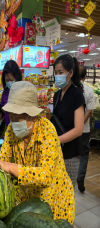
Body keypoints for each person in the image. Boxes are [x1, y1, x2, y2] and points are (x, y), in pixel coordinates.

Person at [0, 81, 75, 225]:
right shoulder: (11, 131)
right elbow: (2, 159)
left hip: (52, 199)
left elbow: (45, 176)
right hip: (26, 200)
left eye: (18, 117)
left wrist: (10, 167)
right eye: (11, 116)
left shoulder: (47, 130)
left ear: (32, 116)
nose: (13, 122)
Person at [53, 54, 85, 188]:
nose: (57, 76)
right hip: (57, 151)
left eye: (60, 72)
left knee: (66, 191)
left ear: (70, 73)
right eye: (55, 73)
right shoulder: (57, 94)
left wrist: (56, 140)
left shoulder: (77, 94)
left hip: (70, 153)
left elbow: (78, 130)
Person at [77, 66, 95, 192]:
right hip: (84, 129)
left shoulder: (71, 89)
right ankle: (80, 177)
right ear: (85, 77)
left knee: (71, 154)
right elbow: (90, 110)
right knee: (83, 155)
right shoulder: (89, 90)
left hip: (70, 129)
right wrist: (81, 123)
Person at [1, 60, 22, 127]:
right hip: (8, 128)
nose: (9, 82)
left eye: (11, 80)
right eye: (7, 80)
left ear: (17, 77)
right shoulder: (5, 92)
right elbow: (2, 109)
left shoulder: (23, 91)